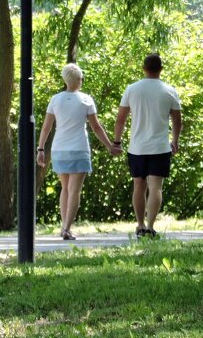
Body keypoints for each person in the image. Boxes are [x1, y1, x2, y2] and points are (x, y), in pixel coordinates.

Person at [36, 63, 121, 240]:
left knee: (65, 188)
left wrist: (41, 148)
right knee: (74, 190)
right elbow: (96, 127)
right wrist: (109, 145)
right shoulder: (86, 100)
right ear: (79, 80)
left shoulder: (55, 100)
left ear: (65, 80)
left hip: (59, 149)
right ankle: (67, 227)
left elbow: (46, 127)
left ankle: (63, 226)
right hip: (79, 149)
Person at [113, 53, 183, 238]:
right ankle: (151, 227)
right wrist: (175, 140)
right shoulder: (169, 90)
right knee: (156, 187)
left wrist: (117, 141)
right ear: (161, 69)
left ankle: (139, 225)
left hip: (137, 147)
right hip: (160, 147)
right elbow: (177, 120)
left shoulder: (132, 89)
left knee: (139, 185)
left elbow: (120, 119)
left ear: (144, 68)